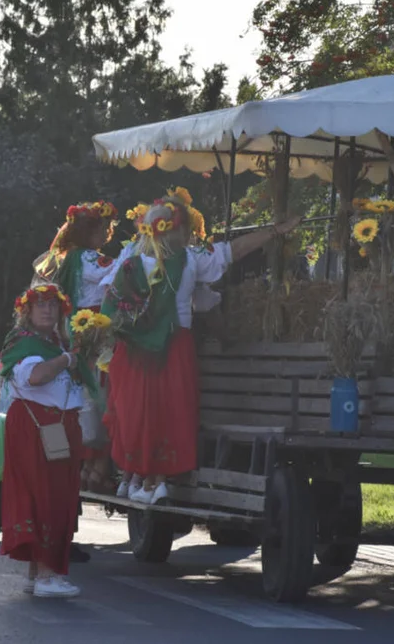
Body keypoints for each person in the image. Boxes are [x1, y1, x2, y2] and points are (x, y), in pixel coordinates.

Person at [100, 187, 301, 504]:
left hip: (137, 351)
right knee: (167, 413)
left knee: (140, 413)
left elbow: (106, 297)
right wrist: (274, 231)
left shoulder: (131, 258)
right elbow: (231, 251)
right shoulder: (188, 260)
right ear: (179, 229)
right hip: (171, 347)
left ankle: (142, 478)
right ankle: (153, 480)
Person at [0, 283, 87, 597]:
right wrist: (66, 360)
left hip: (55, 425)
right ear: (27, 311)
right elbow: (34, 377)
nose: (47, 309)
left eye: (52, 304)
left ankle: (38, 573)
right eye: (40, 305)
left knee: (54, 496)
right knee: (46, 496)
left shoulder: (58, 341)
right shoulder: (25, 342)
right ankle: (49, 576)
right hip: (39, 426)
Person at [32, 200, 118, 493]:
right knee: (103, 396)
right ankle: (99, 469)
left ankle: (88, 468)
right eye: (103, 229)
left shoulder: (68, 258)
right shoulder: (90, 259)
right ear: (90, 233)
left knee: (87, 398)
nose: (107, 234)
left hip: (75, 331)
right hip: (95, 333)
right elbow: (121, 271)